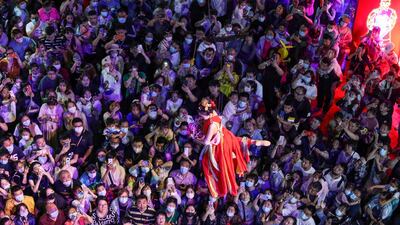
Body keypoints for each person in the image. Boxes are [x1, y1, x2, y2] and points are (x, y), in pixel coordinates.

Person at [195, 98, 271, 197]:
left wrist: (194, 137)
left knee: (215, 165)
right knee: (237, 141)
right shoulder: (214, 114)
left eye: (201, 113)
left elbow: (206, 142)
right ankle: (254, 142)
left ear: (207, 113)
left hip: (219, 144)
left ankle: (226, 187)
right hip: (226, 137)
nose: (200, 115)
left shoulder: (212, 125)